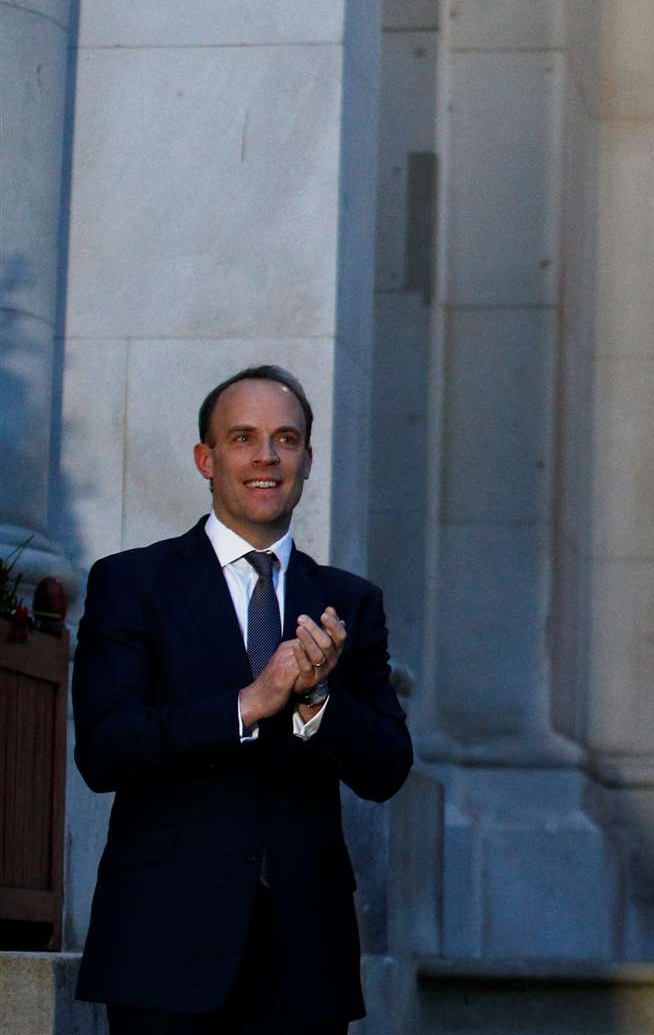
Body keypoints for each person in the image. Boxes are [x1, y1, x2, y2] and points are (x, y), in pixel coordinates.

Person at [72, 366, 413, 1034]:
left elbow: (388, 769)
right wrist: (251, 704)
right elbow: (105, 751)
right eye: (243, 438)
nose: (266, 457)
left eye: (286, 439)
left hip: (306, 960)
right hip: (163, 952)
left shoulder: (350, 601)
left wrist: (316, 698)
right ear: (207, 457)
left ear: (307, 459)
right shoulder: (132, 583)